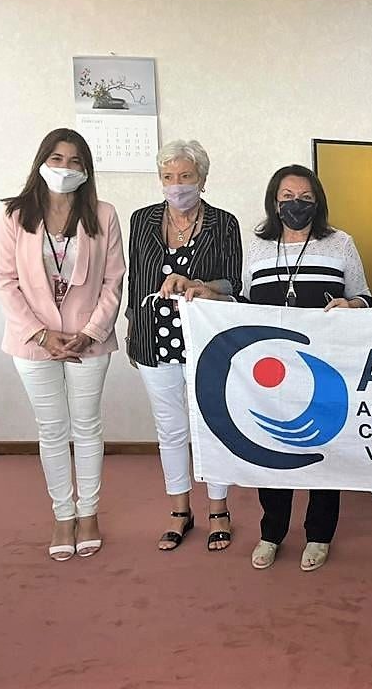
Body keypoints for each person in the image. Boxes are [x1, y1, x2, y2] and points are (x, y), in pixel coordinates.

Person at [189, 164, 372, 571]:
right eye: (287, 197)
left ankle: (320, 534)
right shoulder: (257, 246)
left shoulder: (340, 243)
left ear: (318, 202)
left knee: (323, 450)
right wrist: (211, 301)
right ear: (274, 202)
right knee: (271, 449)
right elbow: (244, 304)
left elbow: (364, 296)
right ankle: (271, 532)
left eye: (305, 197)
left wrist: (351, 304)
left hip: (324, 367)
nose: (296, 204)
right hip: (268, 370)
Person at [0, 128, 125, 561]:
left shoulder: (103, 214)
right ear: (41, 163)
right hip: (34, 342)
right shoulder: (16, 215)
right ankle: (63, 515)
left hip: (89, 340)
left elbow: (113, 280)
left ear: (86, 170)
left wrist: (90, 332)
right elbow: (5, 281)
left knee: (87, 428)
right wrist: (41, 333)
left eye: (74, 161)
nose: (64, 168)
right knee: (51, 430)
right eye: (56, 159)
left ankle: (89, 513)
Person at [126, 139, 242, 552]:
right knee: (170, 428)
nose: (176, 184)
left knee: (211, 422)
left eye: (186, 176)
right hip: (153, 339)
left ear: (202, 179)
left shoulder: (224, 223)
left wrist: (199, 285)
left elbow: (234, 283)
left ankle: (218, 509)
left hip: (204, 340)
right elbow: (136, 280)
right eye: (168, 176)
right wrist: (132, 328)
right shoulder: (141, 220)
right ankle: (180, 510)